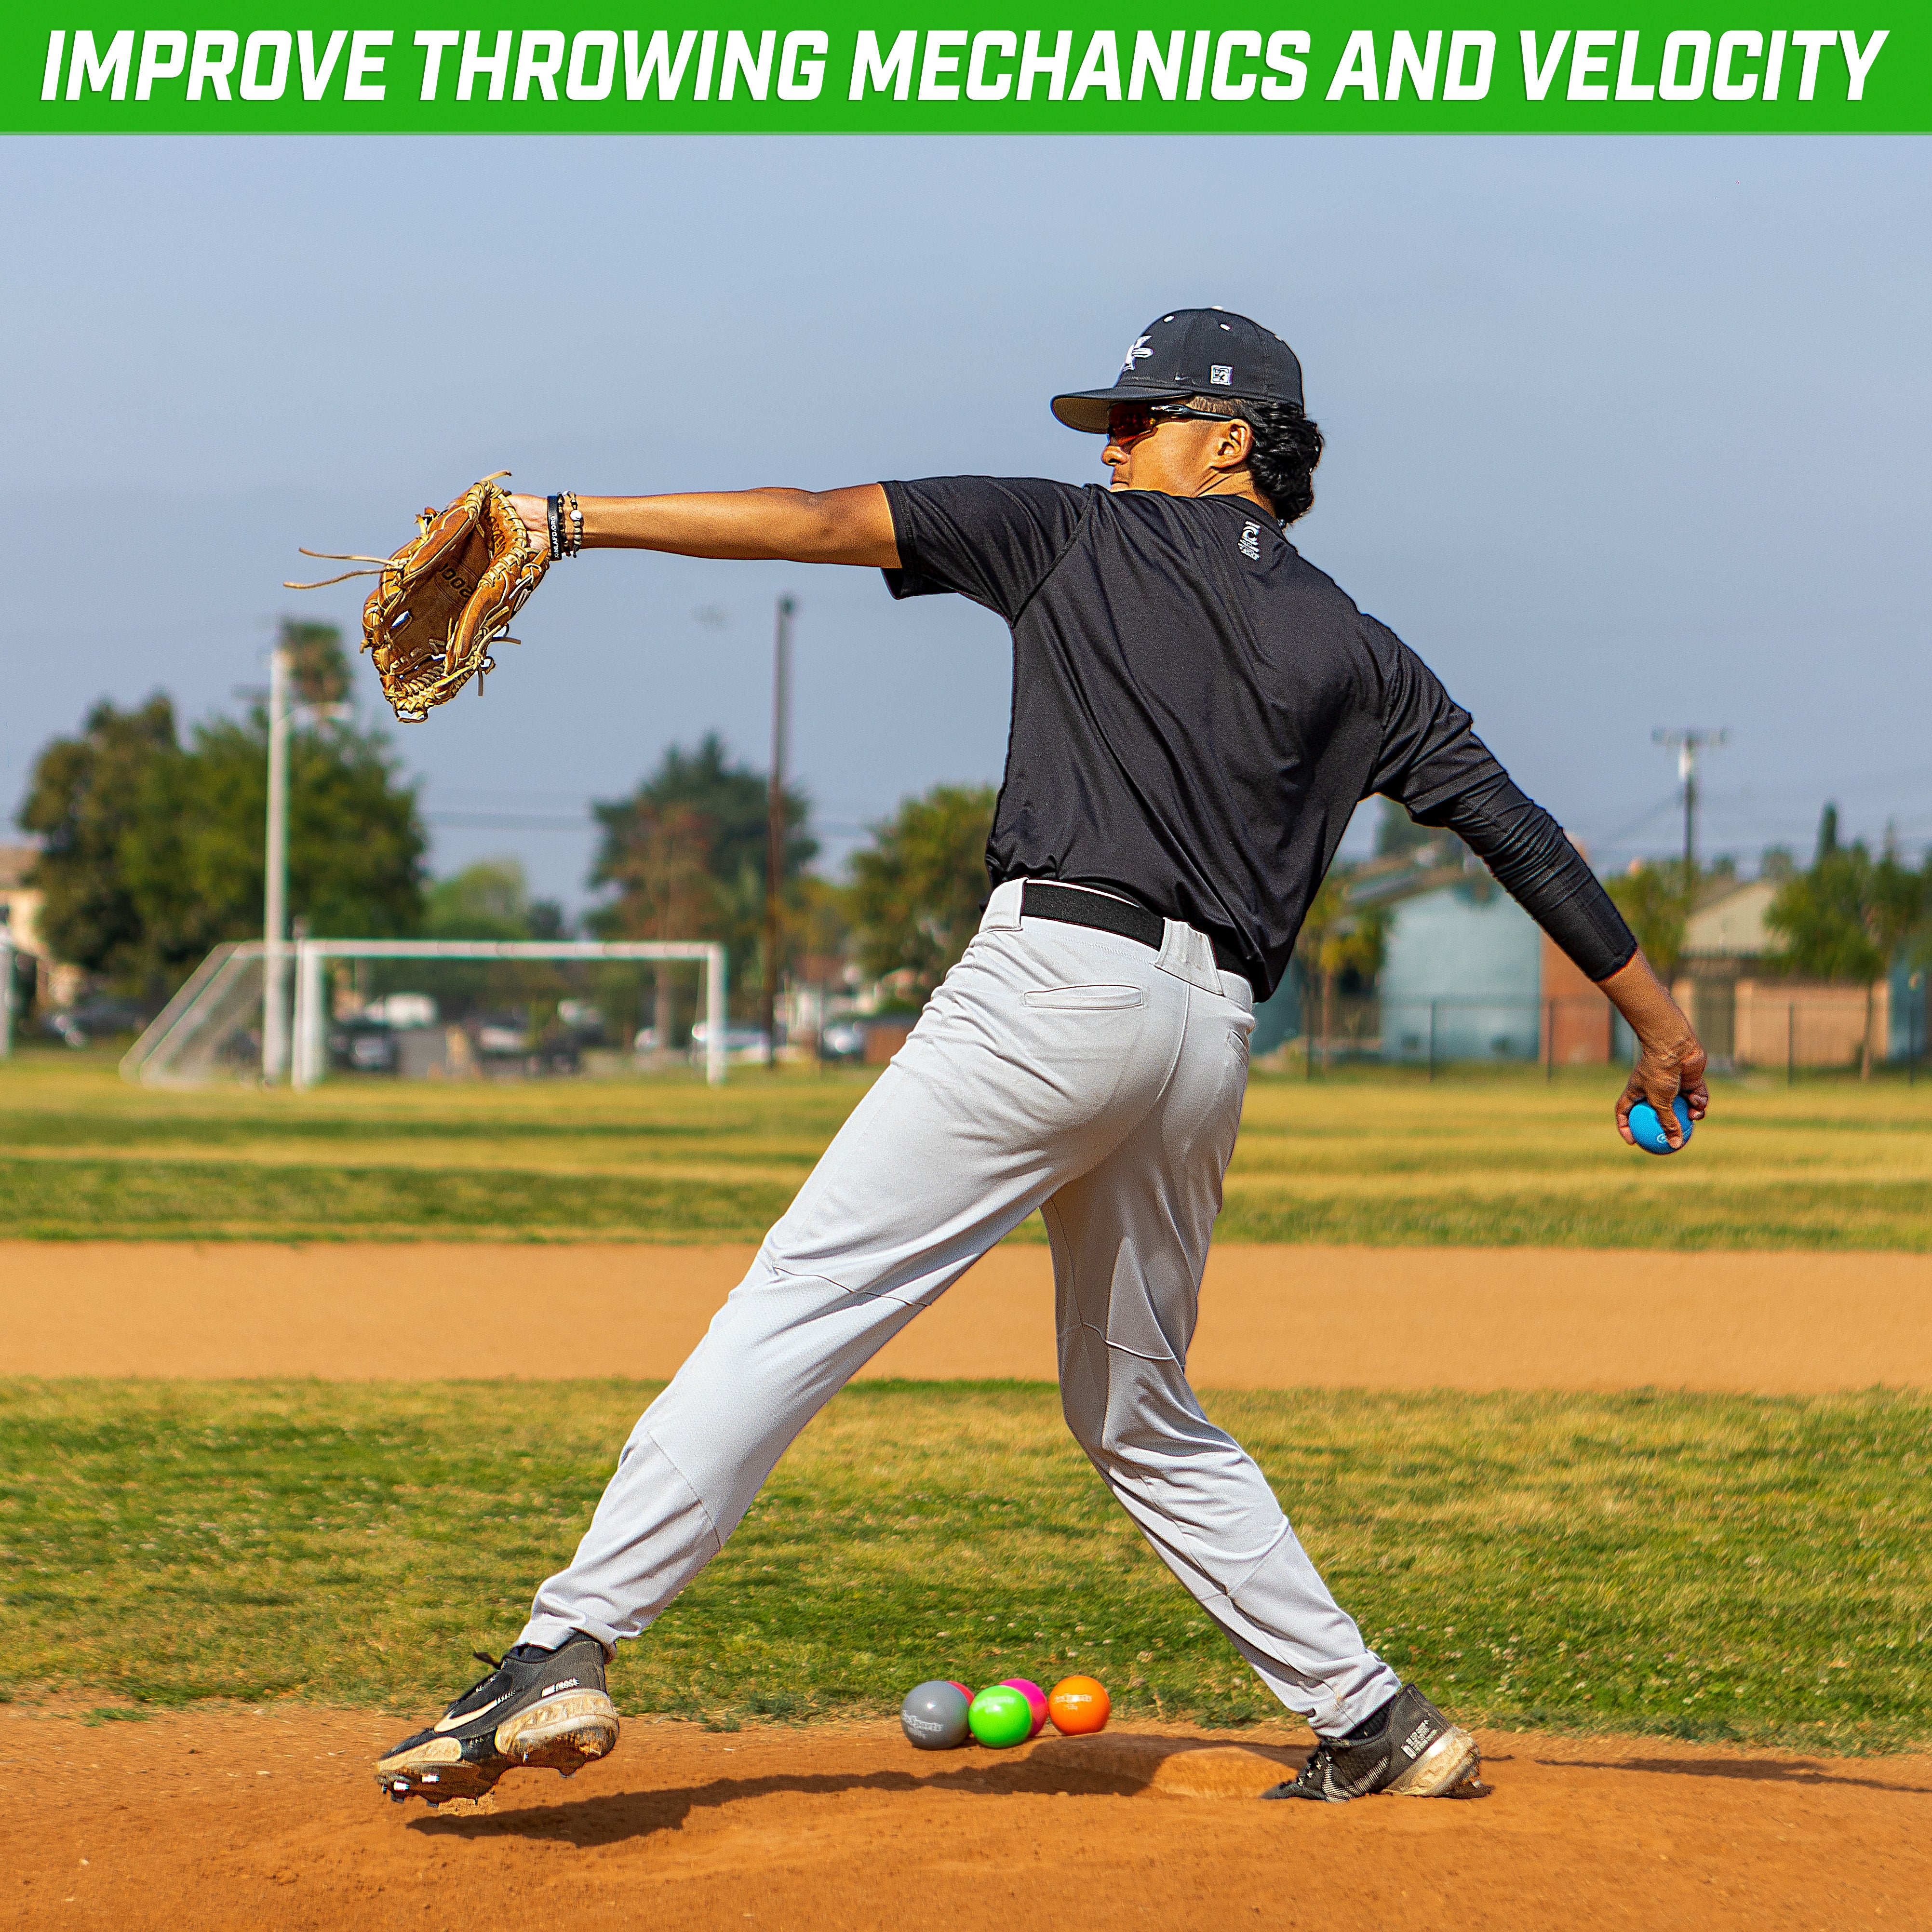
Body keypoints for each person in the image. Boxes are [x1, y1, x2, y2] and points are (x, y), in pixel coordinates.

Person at [376, 307, 1709, 1808]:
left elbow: (814, 519)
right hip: (1205, 1042)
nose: (1109, 442)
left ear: (1228, 438)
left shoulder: (1075, 536)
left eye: (1137, 420)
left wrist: (567, 519)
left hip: (1052, 990)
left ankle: (566, 1643)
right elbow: (1516, 825)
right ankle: (1374, 1719)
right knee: (1136, 1402)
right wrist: (1657, 1020)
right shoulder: (1364, 651)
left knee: (803, 1302)